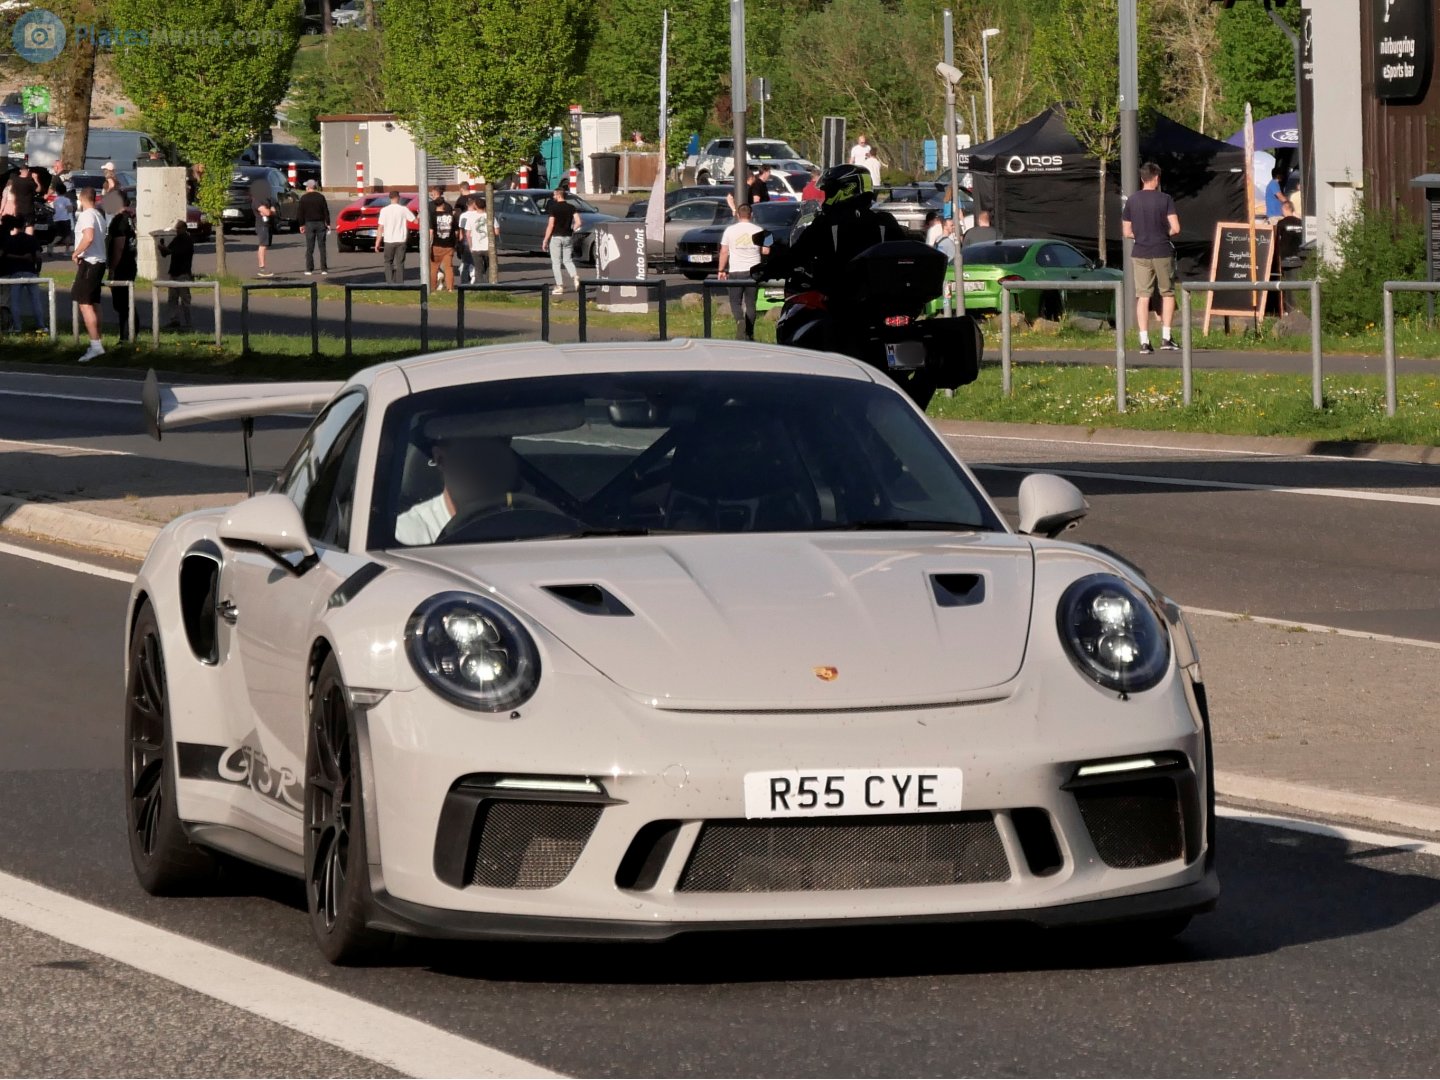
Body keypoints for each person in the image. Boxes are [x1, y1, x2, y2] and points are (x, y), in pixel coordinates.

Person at [395, 434, 522, 545]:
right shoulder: (408, 534)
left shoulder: (525, 522)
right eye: (473, 455)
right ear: (441, 460)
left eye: (495, 455)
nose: (486, 467)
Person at [1121, 161, 1181, 354]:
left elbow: (1127, 231)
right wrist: (1164, 234)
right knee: (1167, 293)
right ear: (1156, 178)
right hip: (1162, 250)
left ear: (1141, 179)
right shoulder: (1165, 199)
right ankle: (1166, 337)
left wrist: (1141, 235)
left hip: (1140, 252)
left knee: (1143, 296)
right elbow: (1176, 228)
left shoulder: (1132, 201)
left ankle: (1144, 341)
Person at [717, 204, 770, 341]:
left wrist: (721, 270)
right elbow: (766, 250)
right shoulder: (760, 230)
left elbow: (724, 251)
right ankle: (750, 332)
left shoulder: (729, 230)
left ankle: (740, 321)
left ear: (738, 215)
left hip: (736, 271)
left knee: (735, 302)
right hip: (754, 271)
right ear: (751, 215)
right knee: (751, 303)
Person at [71, 187, 108, 363]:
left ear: (81, 198)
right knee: (94, 302)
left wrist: (76, 252)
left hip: (90, 262)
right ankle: (97, 340)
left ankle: (95, 345)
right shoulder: (99, 216)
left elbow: (89, 237)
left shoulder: (86, 215)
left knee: (85, 304)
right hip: (100, 262)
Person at [106, 189, 139, 340]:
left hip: (122, 266)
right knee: (125, 302)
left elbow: (119, 246)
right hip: (130, 264)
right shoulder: (129, 218)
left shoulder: (119, 220)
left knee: (122, 304)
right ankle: (128, 333)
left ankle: (126, 335)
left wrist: (112, 269)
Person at [0, 222, 46, 333]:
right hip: (30, 271)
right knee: (35, 301)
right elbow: (39, 257)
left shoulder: (10, 240)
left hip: (15, 272)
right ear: (24, 226)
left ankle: (17, 326)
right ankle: (41, 325)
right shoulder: (32, 239)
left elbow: (3, 254)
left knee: (15, 302)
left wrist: (18, 258)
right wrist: (37, 269)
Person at [155, 220, 194, 330]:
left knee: (185, 299)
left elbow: (177, 252)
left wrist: (165, 249)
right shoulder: (177, 239)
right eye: (176, 228)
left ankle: (188, 322)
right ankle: (174, 320)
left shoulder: (187, 240)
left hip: (183, 273)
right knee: (172, 298)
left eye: (179, 228)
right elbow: (167, 253)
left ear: (184, 228)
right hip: (174, 272)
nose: (177, 231)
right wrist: (162, 248)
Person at [541, 186, 579, 296]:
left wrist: (545, 240)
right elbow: (579, 222)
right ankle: (575, 276)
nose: (553, 197)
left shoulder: (553, 208)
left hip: (556, 237)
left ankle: (560, 285)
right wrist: (572, 229)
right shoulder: (571, 207)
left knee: (556, 262)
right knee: (568, 260)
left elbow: (551, 225)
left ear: (558, 195)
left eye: (554, 195)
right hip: (568, 236)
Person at [374, 190, 415, 283]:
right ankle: (400, 283)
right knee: (400, 263)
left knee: (388, 262)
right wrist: (420, 215)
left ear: (390, 198)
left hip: (389, 240)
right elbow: (414, 220)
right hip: (401, 240)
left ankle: (390, 282)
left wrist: (377, 242)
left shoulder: (384, 210)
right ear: (398, 198)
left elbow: (380, 227)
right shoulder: (403, 209)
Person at [297, 179, 330, 275]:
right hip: (320, 223)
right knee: (322, 247)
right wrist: (328, 223)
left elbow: (300, 213)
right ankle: (324, 269)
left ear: (308, 187)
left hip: (309, 224)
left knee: (310, 247)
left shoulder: (304, 198)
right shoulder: (321, 197)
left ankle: (309, 269)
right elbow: (325, 211)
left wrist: (301, 224)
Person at [429, 190, 459, 292]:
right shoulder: (451, 216)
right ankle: (450, 288)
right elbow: (456, 232)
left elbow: (431, 232)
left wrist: (429, 245)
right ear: (443, 205)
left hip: (436, 244)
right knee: (448, 267)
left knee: (434, 267)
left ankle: (432, 287)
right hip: (449, 245)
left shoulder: (432, 216)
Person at [459, 194, 489, 284]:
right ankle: (488, 283)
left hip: (469, 243)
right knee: (485, 266)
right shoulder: (488, 216)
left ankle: (465, 283)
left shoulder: (464, 216)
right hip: (485, 245)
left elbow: (463, 231)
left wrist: (462, 240)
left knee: (467, 263)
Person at [253, 182, 276, 277]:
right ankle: (262, 268)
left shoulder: (268, 199)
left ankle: (263, 267)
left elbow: (273, 211)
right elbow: (267, 212)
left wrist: (269, 211)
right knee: (262, 245)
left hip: (268, 225)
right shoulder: (257, 200)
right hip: (261, 225)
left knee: (265, 245)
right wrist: (268, 211)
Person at [48, 186, 74, 254]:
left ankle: (51, 244)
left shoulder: (55, 200)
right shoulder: (66, 200)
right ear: (65, 191)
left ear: (57, 192)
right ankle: (67, 250)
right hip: (65, 219)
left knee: (60, 234)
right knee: (67, 235)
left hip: (57, 219)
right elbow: (70, 209)